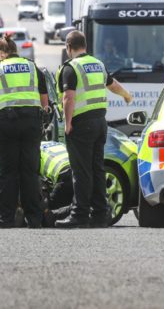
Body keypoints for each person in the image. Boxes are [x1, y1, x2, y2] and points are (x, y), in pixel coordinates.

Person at [56, 30, 132, 229]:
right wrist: (126, 95)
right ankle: (100, 213)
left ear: (68, 47)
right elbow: (112, 84)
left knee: (80, 171)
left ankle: (79, 214)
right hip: (100, 123)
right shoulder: (98, 64)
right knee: (97, 169)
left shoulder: (71, 68)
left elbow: (68, 98)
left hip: (81, 124)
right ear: (86, 46)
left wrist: (68, 122)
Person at [0, 33, 49, 228]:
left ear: (1, 53)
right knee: (30, 171)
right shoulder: (32, 67)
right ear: (16, 50)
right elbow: (44, 99)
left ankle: (4, 219)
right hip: (31, 123)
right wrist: (43, 115)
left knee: (7, 172)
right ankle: (34, 219)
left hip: (6, 124)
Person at [39, 141, 74, 225]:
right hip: (78, 172)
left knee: (47, 209)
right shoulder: (54, 143)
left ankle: (78, 210)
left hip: (64, 176)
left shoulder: (34, 150)